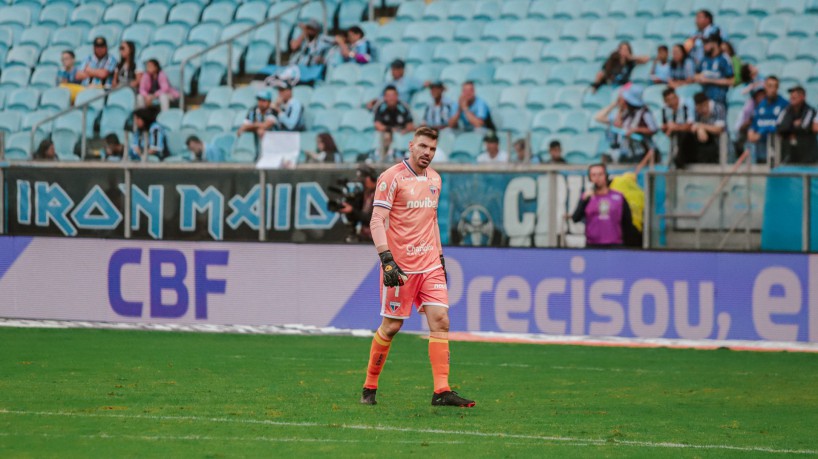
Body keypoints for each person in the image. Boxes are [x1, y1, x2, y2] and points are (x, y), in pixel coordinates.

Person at [361, 126, 475, 408]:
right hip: (400, 267)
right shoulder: (391, 177)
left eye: (433, 149)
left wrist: (440, 257)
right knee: (392, 326)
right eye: (423, 147)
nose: (427, 153)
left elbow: (432, 221)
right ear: (411, 145)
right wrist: (386, 258)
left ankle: (442, 391)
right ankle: (369, 386)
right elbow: (377, 220)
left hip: (430, 264)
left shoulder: (435, 179)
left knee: (441, 321)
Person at [571, 163, 638, 248]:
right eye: (593, 175)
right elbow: (575, 218)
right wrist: (583, 201)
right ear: (590, 178)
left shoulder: (618, 197)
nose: (597, 178)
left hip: (615, 244)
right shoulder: (587, 197)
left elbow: (628, 222)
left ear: (606, 176)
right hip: (592, 245)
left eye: (600, 174)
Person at [593, 84, 658, 163]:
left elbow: (653, 129)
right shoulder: (626, 114)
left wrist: (636, 130)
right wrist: (616, 105)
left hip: (643, 153)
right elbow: (599, 117)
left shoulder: (644, 113)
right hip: (628, 153)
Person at [748, 76, 788, 163]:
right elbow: (755, 124)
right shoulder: (760, 105)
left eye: (775, 86)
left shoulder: (784, 105)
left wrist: (762, 131)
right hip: (761, 150)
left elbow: (782, 126)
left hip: (778, 149)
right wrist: (751, 131)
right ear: (765, 87)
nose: (772, 89)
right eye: (770, 86)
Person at [776, 86, 818, 164]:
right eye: (791, 95)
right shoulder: (786, 110)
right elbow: (780, 128)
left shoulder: (809, 110)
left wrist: (789, 128)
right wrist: (794, 125)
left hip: (807, 155)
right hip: (790, 155)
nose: (792, 97)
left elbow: (804, 128)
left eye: (795, 95)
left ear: (803, 97)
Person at [694, 34, 734, 112]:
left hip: (719, 100)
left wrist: (709, 80)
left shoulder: (724, 59)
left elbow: (731, 80)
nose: (704, 46)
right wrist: (699, 77)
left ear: (714, 44)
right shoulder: (704, 59)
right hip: (704, 101)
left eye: (706, 43)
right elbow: (696, 75)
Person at [338, 164, 377, 241]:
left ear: (369, 178)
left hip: (377, 238)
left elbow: (372, 220)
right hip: (364, 236)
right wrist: (349, 210)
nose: (361, 184)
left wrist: (352, 210)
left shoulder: (381, 194)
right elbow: (357, 216)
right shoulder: (364, 193)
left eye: (363, 180)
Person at [660, 88, 695, 167]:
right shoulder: (665, 108)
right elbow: (664, 125)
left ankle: (680, 161)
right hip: (672, 133)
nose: (672, 102)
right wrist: (668, 127)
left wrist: (675, 127)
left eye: (673, 98)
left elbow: (690, 125)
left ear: (677, 97)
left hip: (688, 135)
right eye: (668, 100)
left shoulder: (687, 104)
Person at [690, 92, 726, 163]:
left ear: (707, 102)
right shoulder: (697, 111)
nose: (702, 110)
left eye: (703, 106)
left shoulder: (718, 108)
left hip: (722, 145)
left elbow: (719, 129)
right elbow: (693, 127)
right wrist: (700, 129)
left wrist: (701, 126)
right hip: (707, 146)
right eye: (699, 108)